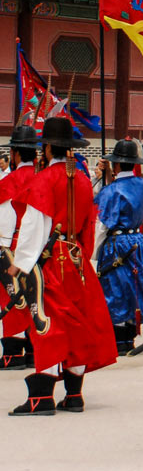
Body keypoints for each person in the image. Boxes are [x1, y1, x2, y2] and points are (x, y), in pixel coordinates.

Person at [5, 117, 117, 416]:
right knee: (77, 322)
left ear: (48, 146)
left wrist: (22, 262)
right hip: (76, 258)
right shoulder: (80, 178)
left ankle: (41, 396)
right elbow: (88, 223)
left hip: (50, 260)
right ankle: (74, 394)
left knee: (48, 323)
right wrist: (83, 252)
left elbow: (34, 225)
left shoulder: (43, 180)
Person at [94, 137, 143, 355]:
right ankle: (129, 337)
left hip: (116, 243)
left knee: (115, 289)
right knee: (134, 287)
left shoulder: (111, 190)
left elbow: (103, 224)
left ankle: (118, 338)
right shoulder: (141, 185)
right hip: (137, 241)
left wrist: (95, 252)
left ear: (116, 164)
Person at [0, 124, 38, 371]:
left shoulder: (9, 180)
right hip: (38, 244)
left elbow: (4, 216)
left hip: (11, 243)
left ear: (14, 153)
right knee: (35, 296)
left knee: (11, 295)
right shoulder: (41, 177)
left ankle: (13, 352)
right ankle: (34, 350)